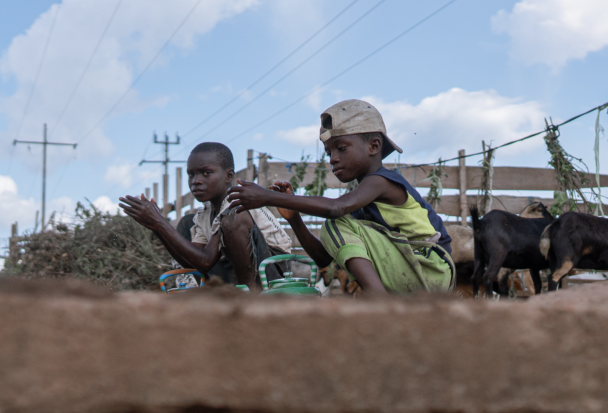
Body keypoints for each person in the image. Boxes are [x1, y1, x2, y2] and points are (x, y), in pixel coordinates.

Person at [226, 100, 454, 295]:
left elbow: (335, 208)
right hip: (413, 271)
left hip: (428, 267)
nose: (332, 159)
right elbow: (324, 259)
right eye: (329, 152)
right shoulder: (358, 205)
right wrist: (294, 219)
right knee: (337, 225)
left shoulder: (381, 181)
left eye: (341, 148)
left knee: (335, 221)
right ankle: (378, 298)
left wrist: (268, 197)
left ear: (373, 146)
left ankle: (377, 299)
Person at [119, 142, 292, 288]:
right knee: (187, 222)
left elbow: (206, 261)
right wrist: (157, 226)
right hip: (236, 271)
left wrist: (159, 222)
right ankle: (221, 294)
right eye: (191, 174)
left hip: (273, 274)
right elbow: (193, 262)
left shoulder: (238, 202)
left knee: (232, 218)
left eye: (206, 173)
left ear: (228, 176)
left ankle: (247, 297)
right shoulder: (205, 214)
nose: (196, 181)